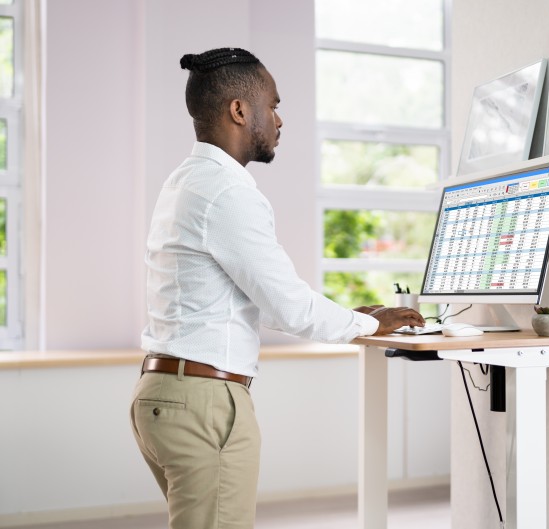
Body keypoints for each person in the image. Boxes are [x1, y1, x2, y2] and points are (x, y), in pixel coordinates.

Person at [129, 47, 425, 529]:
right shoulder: (228, 192)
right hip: (205, 402)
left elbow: (250, 298)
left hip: (164, 394)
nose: (280, 119)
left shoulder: (185, 182)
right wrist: (368, 323)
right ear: (240, 110)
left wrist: (349, 315)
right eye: (274, 104)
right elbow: (287, 302)